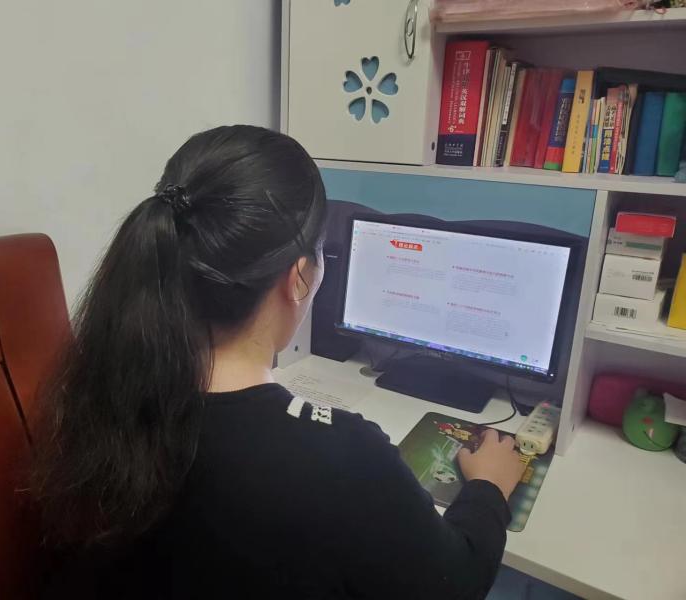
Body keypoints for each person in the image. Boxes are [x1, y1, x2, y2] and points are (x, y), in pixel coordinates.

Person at [32, 125, 526, 599]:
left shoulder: (98, 388)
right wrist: (488, 487)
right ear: (298, 278)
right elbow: (455, 583)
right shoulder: (345, 455)